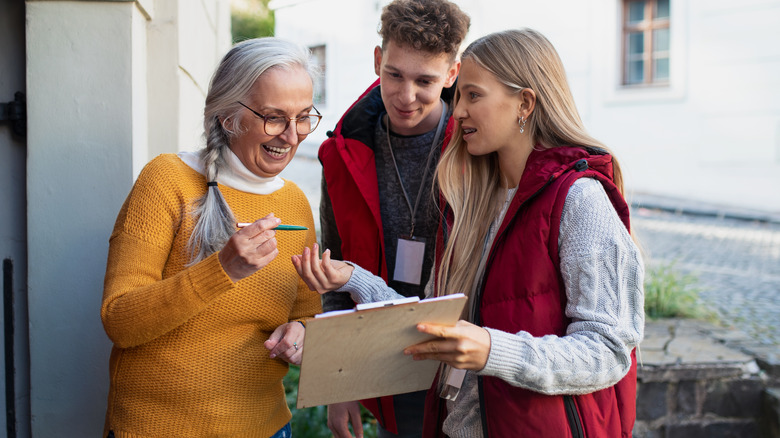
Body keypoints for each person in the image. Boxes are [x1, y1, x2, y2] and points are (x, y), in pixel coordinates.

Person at [294, 28, 645, 437]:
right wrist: (354, 279)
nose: (457, 110)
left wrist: (492, 351)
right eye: (459, 96)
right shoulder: (473, 200)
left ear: (524, 104)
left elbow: (609, 350)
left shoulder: (580, 201)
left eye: (472, 95)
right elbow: (434, 321)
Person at [100, 37, 323, 438]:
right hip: (158, 428)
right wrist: (221, 270)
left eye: (304, 116)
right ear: (228, 117)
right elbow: (119, 320)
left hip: (266, 427)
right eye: (275, 117)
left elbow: (307, 312)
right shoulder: (168, 181)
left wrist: (303, 333)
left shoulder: (295, 203)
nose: (292, 136)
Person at [316, 0, 470, 437]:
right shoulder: (340, 155)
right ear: (378, 60)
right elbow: (335, 270)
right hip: (388, 364)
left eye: (426, 81)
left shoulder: (479, 148)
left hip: (469, 362)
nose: (407, 96)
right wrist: (340, 378)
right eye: (395, 75)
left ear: (452, 75)